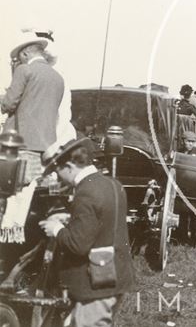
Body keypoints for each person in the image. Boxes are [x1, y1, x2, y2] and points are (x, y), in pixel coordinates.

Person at [39, 138, 133, 325]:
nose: (58, 178)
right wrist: (73, 221)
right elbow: (103, 222)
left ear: (68, 166)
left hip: (94, 284)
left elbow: (78, 245)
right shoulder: (112, 184)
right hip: (116, 275)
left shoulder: (85, 192)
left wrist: (56, 229)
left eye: (57, 172)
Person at [2, 37, 64, 151]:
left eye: (18, 58)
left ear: (25, 54)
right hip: (48, 146)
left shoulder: (24, 69)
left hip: (21, 143)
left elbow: (8, 104)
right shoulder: (58, 77)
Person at [175, 131, 196, 246]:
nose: (191, 144)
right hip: (183, 186)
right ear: (183, 141)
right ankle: (182, 237)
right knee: (183, 214)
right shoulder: (180, 151)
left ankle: (195, 239)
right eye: (188, 141)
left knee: (195, 215)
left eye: (193, 142)